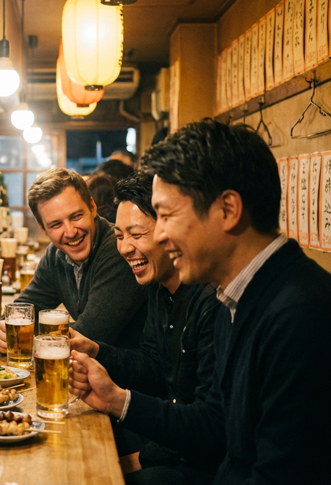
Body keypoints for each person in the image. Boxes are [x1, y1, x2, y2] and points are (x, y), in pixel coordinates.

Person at [71, 120, 331, 484]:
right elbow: (216, 423)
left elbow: (284, 474)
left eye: (166, 216)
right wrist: (116, 400)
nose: (160, 234)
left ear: (228, 209)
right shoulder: (238, 296)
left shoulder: (305, 316)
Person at [70, 173, 221, 484]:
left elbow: (209, 424)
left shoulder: (211, 299)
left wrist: (138, 458)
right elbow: (153, 366)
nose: (125, 248)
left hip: (205, 460)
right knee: (80, 441)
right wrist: (98, 351)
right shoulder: (158, 287)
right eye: (119, 235)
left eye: (136, 234)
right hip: (174, 435)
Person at [0, 168, 148, 352]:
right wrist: (6, 329)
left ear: (92, 207)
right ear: (43, 228)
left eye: (76, 216)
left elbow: (88, 336)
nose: (70, 232)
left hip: (128, 377)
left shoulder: (118, 249)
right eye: (56, 224)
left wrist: (23, 336)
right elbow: (21, 311)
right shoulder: (55, 255)